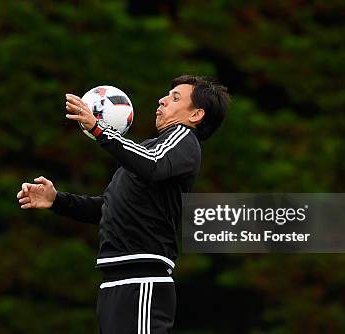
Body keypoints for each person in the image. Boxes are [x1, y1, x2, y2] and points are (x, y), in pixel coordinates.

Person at [16, 75, 230, 333]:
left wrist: (99, 129)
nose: (162, 100)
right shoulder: (147, 151)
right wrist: (56, 201)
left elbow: (152, 164)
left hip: (143, 278)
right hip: (116, 280)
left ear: (196, 115)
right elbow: (107, 208)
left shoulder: (183, 139)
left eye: (175, 98)